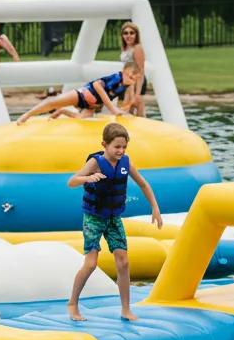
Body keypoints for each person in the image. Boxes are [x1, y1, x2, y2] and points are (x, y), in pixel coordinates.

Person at [66, 122, 162, 322]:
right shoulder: (95, 163)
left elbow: (143, 184)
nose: (121, 150)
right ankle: (73, 303)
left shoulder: (126, 163)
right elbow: (72, 181)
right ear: (105, 144)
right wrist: (88, 178)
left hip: (113, 217)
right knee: (91, 264)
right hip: (93, 217)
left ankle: (126, 309)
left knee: (124, 261)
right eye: (116, 146)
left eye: (124, 147)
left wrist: (155, 207)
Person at [16, 63, 138, 123]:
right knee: (52, 102)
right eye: (129, 74)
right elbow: (97, 85)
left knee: (81, 119)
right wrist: (113, 109)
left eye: (134, 77)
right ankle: (28, 114)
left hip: (91, 105)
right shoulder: (117, 77)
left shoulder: (127, 85)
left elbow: (128, 102)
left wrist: (124, 110)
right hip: (82, 95)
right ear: (123, 71)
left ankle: (63, 111)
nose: (131, 78)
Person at [119, 21, 148, 116]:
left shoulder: (137, 48)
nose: (128, 35)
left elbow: (141, 70)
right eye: (125, 33)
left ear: (136, 35)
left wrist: (137, 93)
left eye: (132, 33)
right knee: (127, 110)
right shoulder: (126, 48)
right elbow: (127, 66)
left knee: (136, 107)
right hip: (127, 82)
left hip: (136, 82)